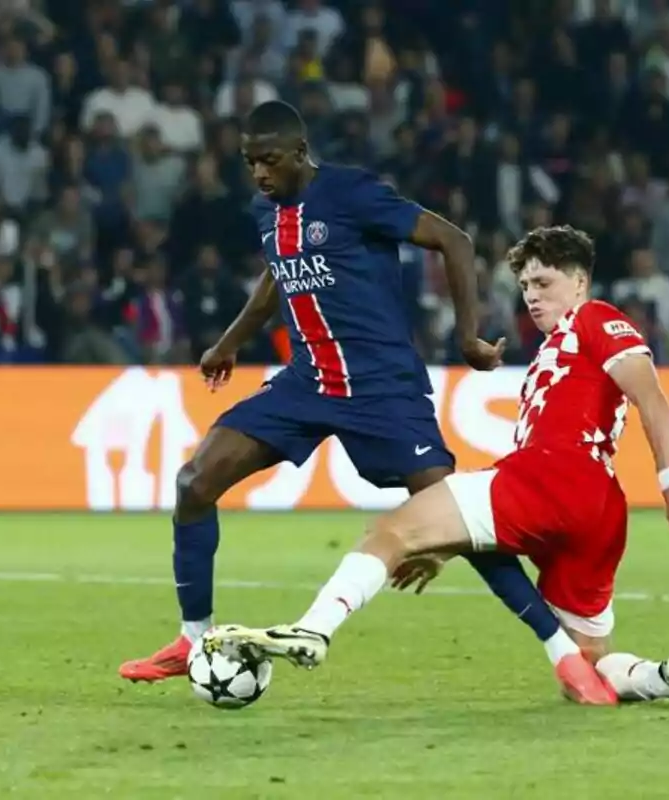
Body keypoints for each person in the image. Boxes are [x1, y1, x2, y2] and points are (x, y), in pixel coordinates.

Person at [208, 225, 669, 708]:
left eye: (544, 283)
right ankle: (665, 678)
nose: (532, 296)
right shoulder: (549, 352)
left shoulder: (597, 318)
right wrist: (447, 544)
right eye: (525, 286)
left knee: (390, 531)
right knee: (586, 667)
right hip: (594, 513)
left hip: (554, 479)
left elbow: (652, 397)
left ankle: (313, 630)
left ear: (581, 283)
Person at [119, 101, 570, 687]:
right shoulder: (267, 211)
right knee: (194, 483)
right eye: (250, 162)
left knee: (460, 518)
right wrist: (229, 342)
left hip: (382, 388)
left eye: (269, 161)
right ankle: (193, 637)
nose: (259, 174)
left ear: (300, 154)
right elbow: (278, 276)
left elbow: (454, 241)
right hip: (307, 383)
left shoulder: (352, 194)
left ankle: (562, 649)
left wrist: (467, 336)